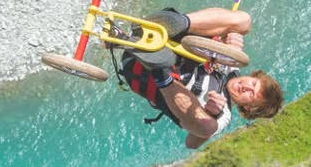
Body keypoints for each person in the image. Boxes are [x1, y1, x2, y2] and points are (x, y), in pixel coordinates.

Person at [119, 8, 283, 149]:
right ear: (252, 76)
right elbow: (231, 31)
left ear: (248, 108)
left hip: (143, 70)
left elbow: (191, 143)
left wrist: (211, 112)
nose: (246, 87)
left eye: (251, 94)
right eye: (253, 83)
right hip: (163, 35)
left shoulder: (224, 114)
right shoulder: (233, 63)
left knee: (207, 127)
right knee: (244, 21)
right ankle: (178, 22)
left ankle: (158, 67)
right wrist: (231, 36)